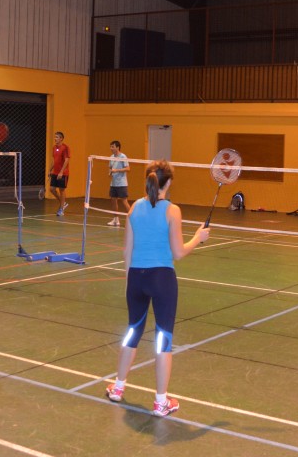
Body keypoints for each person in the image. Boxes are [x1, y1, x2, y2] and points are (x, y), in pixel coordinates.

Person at [105, 160, 210, 417]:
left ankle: (118, 388)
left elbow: (126, 251)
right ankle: (160, 402)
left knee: (132, 331)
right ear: (169, 182)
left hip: (136, 280)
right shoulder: (172, 211)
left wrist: (129, 281)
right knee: (163, 338)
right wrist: (198, 237)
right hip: (162, 279)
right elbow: (178, 252)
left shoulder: (133, 210)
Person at [107, 140, 130, 226]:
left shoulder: (123, 156)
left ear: (117, 147)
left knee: (124, 201)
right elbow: (110, 167)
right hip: (113, 183)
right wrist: (110, 172)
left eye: (113, 146)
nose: (111, 148)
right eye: (110, 146)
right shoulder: (111, 157)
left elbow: (128, 168)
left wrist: (117, 170)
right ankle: (116, 219)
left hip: (122, 183)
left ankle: (133, 219)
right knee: (113, 200)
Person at [49, 131, 71, 216]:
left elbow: (66, 160)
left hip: (63, 173)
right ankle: (63, 203)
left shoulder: (65, 148)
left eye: (57, 137)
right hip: (55, 172)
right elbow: (54, 160)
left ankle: (61, 209)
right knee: (52, 189)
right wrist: (50, 169)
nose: (55, 139)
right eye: (55, 137)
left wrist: (61, 172)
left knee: (62, 190)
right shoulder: (54, 148)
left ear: (61, 138)